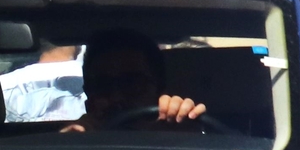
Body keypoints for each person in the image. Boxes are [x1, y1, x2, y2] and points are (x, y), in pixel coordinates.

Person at [67, 30, 206, 131]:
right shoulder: (77, 143)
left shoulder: (176, 134)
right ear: (88, 98)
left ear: (160, 92)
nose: (116, 97)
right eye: (102, 85)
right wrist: (68, 146)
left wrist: (184, 135)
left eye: (132, 84)